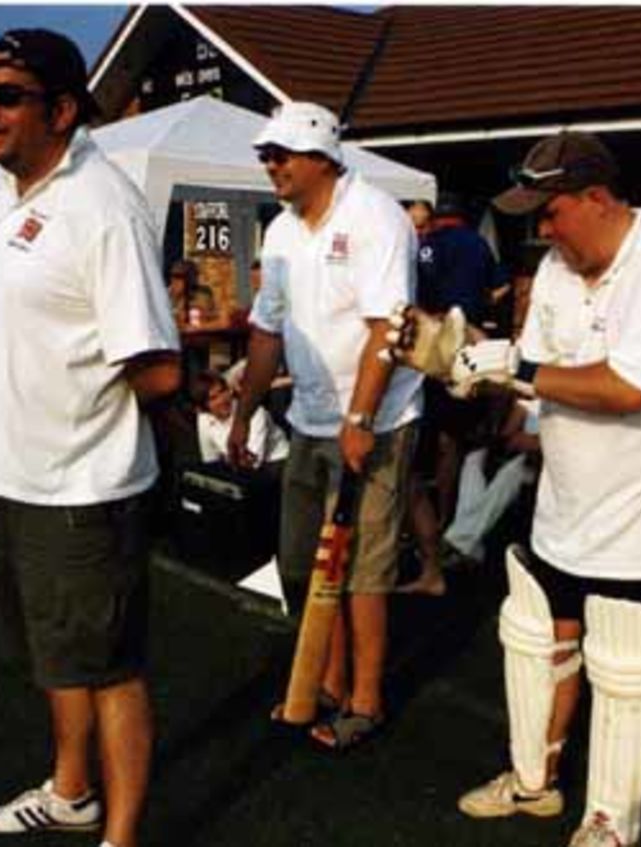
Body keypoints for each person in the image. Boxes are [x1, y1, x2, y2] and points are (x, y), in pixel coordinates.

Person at [387, 131, 641, 847]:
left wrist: (515, 367)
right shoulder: (558, 273)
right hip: (565, 507)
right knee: (536, 637)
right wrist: (457, 361)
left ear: (597, 198)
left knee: (627, 668)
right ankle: (533, 783)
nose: (542, 229)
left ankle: (610, 822)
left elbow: (628, 387)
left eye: (552, 212)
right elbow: (531, 383)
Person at [0, 29, 180, 847]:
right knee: (57, 657)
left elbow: (155, 367)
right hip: (18, 476)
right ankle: (73, 792)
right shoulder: (6, 196)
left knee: (108, 669)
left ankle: (122, 835)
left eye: (7, 96)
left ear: (63, 109)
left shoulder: (101, 205)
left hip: (80, 488)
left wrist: (83, 415)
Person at [227, 101, 422, 750]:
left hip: (378, 418)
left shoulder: (377, 218)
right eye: (266, 155)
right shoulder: (281, 231)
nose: (271, 165)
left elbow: (388, 329)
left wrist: (362, 417)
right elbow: (265, 331)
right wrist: (246, 409)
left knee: (362, 568)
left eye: (280, 154)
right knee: (304, 562)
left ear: (320, 157)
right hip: (309, 418)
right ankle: (327, 680)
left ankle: (365, 700)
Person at [399, 193, 502, 596]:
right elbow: (502, 287)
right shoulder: (479, 245)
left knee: (426, 436)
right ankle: (446, 518)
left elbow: (413, 297)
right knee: (453, 440)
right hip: (471, 343)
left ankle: (429, 528)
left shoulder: (424, 247)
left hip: (429, 345)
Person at [441, 396, 540, 567]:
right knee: (474, 459)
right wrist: (503, 439)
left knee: (510, 474)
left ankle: (459, 540)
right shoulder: (531, 397)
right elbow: (509, 430)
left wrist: (533, 443)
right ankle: (472, 547)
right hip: (521, 454)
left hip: (542, 464)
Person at [189, 369, 288, 471]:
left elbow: (253, 462)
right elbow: (210, 460)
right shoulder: (204, 418)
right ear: (202, 408)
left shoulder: (254, 412)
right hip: (236, 467)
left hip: (275, 462)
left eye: (222, 391)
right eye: (213, 398)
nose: (222, 399)